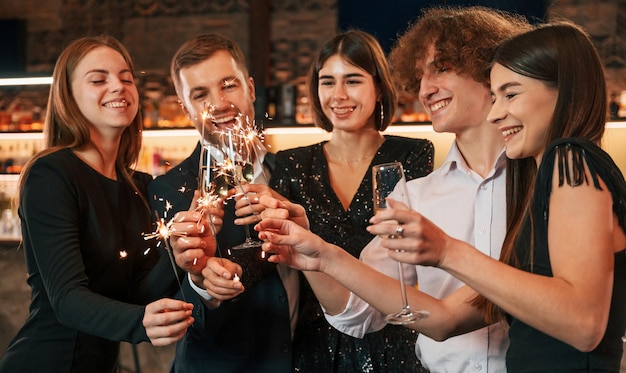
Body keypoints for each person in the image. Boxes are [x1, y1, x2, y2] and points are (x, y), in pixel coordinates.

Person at [256, 21, 626, 372]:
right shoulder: (540, 189)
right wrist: (323, 255)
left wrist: (447, 251)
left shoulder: (568, 161)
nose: (498, 113)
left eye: (510, 94)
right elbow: (444, 318)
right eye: (419, 77)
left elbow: (583, 323)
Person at [0, 35, 193, 372]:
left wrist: (178, 253)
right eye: (99, 79)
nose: (118, 87)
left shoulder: (140, 186)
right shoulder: (52, 174)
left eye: (126, 78)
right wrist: (141, 323)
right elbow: (67, 298)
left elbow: (136, 292)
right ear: (69, 97)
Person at [269, 29, 433, 372]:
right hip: (315, 346)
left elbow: (415, 256)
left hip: (395, 339)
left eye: (353, 80)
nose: (339, 95)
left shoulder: (413, 154)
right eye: (327, 82)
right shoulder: (291, 163)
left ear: (378, 87)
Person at [148, 33, 299, 372]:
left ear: (250, 88)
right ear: (185, 108)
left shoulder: (293, 170)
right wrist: (200, 286)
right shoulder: (169, 191)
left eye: (228, 85)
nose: (217, 103)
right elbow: (166, 308)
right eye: (200, 94)